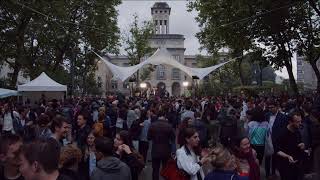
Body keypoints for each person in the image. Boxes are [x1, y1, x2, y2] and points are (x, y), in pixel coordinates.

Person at [274, 111, 305, 180]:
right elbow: (277, 150)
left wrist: (302, 146)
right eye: (297, 122)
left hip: (297, 165)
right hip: (285, 166)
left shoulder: (297, 132)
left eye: (300, 121)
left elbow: (299, 145)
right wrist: (287, 156)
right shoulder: (282, 133)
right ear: (290, 122)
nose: (300, 124)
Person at [148, 115, 175, 180]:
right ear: (165, 118)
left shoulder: (152, 125)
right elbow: (173, 139)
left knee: (155, 169)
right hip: (166, 150)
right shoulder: (169, 126)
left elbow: (148, 138)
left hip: (155, 150)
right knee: (165, 168)